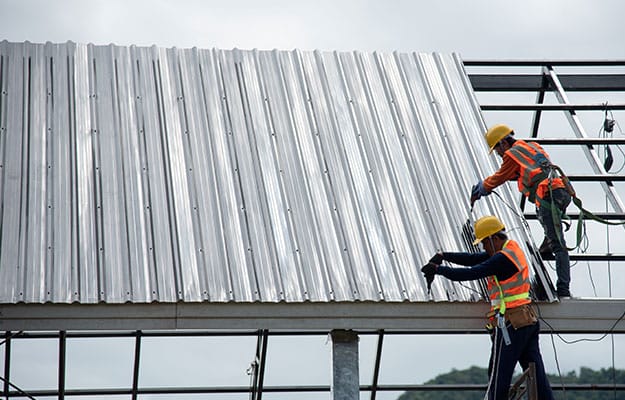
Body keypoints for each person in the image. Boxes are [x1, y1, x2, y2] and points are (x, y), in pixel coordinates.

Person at [421, 215, 554, 400]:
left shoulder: (502, 259)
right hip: (526, 320)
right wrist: (444, 256)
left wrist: (438, 270)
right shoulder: (510, 249)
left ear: (494, 238)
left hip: (511, 323)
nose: (484, 247)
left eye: (484, 243)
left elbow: (472, 272)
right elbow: (473, 259)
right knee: (537, 375)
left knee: (498, 374)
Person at [470, 124, 572, 298]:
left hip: (548, 197)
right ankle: (546, 246)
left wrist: (483, 188)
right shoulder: (531, 146)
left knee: (559, 245)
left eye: (497, 150)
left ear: (503, 143)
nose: (499, 154)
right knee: (552, 235)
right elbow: (523, 172)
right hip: (561, 192)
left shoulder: (511, 154)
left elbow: (501, 176)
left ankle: (563, 289)